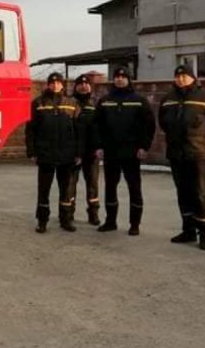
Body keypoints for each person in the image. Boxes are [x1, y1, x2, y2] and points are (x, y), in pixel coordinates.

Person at [158, 64, 205, 250]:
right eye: (177, 76)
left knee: (200, 194)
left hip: (198, 153)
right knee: (183, 193)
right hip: (176, 153)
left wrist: (204, 143)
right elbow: (163, 122)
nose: (180, 79)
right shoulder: (168, 98)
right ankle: (188, 230)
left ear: (193, 78)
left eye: (184, 76)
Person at [92, 67, 156, 234]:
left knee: (134, 188)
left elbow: (149, 126)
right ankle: (110, 221)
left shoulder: (139, 101)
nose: (119, 79)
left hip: (132, 153)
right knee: (110, 187)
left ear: (129, 79)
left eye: (123, 77)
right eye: (117, 77)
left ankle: (135, 224)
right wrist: (98, 146)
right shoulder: (105, 101)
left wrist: (144, 146)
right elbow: (96, 125)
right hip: (111, 152)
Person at [26, 72, 82, 233]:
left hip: (67, 156)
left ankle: (65, 220)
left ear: (63, 85)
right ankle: (42, 221)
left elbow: (79, 130)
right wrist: (32, 152)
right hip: (45, 155)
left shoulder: (72, 103)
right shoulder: (38, 103)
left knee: (66, 191)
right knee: (44, 190)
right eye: (52, 82)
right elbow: (31, 130)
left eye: (58, 82)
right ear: (48, 85)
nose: (55, 85)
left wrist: (78, 152)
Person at [69, 74, 100, 226]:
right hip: (74, 153)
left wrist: (99, 147)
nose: (83, 86)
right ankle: (68, 213)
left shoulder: (95, 104)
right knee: (70, 184)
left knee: (93, 184)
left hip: (91, 152)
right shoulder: (70, 104)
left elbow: (101, 127)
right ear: (75, 87)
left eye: (86, 84)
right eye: (80, 84)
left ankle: (93, 213)